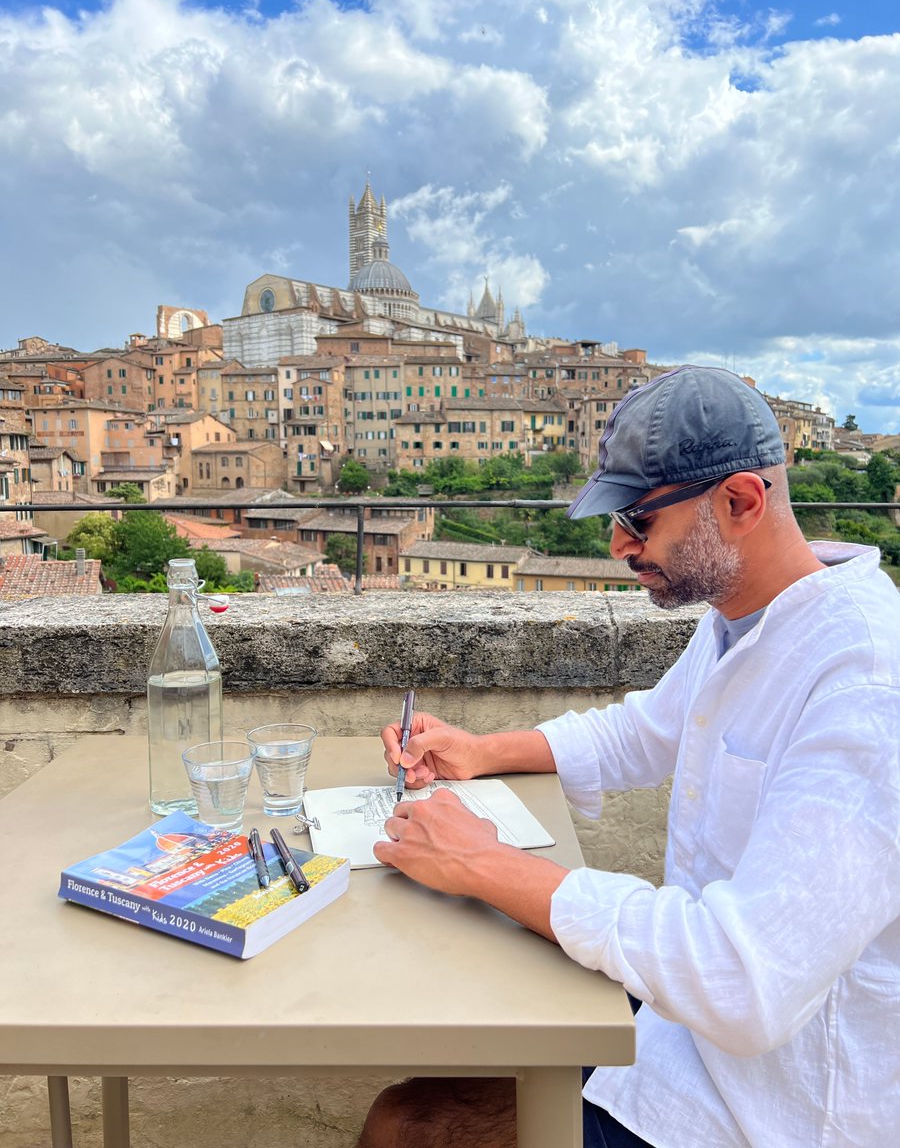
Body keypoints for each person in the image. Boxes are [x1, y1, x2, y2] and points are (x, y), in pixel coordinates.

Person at [357, 365, 900, 1148]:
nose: (617, 544)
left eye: (639, 520)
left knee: (408, 1128)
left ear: (741, 502)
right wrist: (479, 752)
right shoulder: (748, 616)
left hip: (776, 1108)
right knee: (422, 1094)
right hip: (690, 1039)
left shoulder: (867, 687)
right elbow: (647, 731)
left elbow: (747, 982)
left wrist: (488, 866)